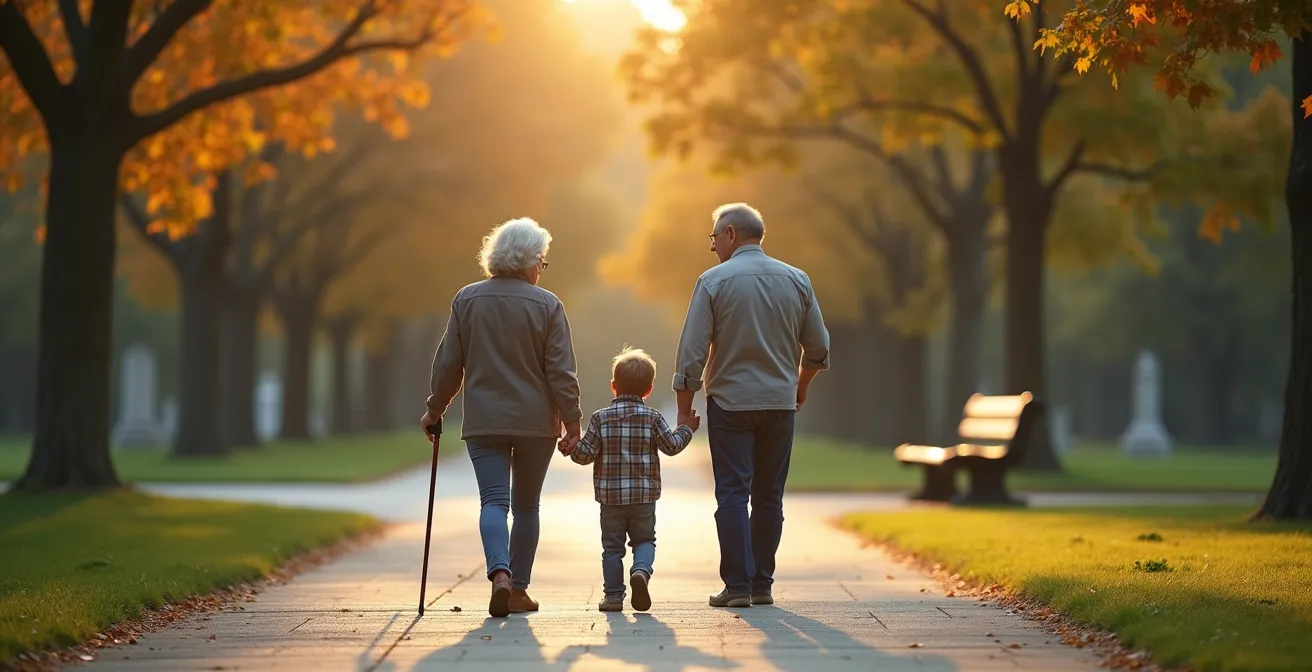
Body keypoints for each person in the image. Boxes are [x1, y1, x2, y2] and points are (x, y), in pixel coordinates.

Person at [421, 217, 582, 618]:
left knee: (493, 500)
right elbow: (561, 371)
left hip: (484, 420)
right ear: (529, 262)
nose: (540, 271)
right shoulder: (548, 306)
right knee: (527, 507)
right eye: (541, 263)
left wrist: (434, 408)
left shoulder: (467, 299)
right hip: (535, 423)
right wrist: (573, 421)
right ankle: (518, 591)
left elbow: (449, 363)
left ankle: (500, 574)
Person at [672, 202, 830, 608]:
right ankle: (762, 584)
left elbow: (691, 353)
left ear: (730, 234)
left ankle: (737, 586)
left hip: (730, 402)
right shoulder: (798, 280)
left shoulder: (712, 282)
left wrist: (683, 408)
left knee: (731, 493)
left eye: (714, 238)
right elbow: (818, 347)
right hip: (779, 403)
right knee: (769, 496)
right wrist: (802, 385)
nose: (711, 248)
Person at [558, 347, 700, 612]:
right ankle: (641, 572)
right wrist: (686, 429)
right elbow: (671, 446)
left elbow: (586, 455)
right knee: (645, 540)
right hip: (644, 498)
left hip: (610, 499)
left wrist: (571, 448)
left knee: (612, 549)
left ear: (613, 386)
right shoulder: (653, 418)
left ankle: (613, 598)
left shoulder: (600, 418)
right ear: (648, 390)